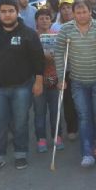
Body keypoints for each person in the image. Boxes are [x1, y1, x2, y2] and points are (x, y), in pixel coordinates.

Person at [0, 0, 44, 173]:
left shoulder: (28, 34)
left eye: (10, 11)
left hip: (22, 86)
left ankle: (20, 154)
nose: (7, 15)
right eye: (3, 11)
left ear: (17, 12)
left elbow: (38, 60)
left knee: (20, 122)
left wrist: (38, 81)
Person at [55, 1, 96, 167]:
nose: (82, 15)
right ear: (74, 14)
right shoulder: (66, 29)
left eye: (85, 12)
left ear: (91, 12)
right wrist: (61, 78)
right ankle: (87, 152)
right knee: (84, 116)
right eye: (78, 12)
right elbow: (59, 53)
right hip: (77, 81)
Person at [32, 8, 64, 153]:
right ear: (36, 21)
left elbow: (63, 57)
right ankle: (41, 138)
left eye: (47, 18)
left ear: (51, 21)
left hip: (54, 77)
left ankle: (57, 136)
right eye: (41, 18)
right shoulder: (32, 37)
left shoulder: (57, 35)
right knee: (39, 112)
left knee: (55, 110)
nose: (44, 21)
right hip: (37, 80)